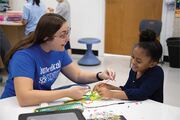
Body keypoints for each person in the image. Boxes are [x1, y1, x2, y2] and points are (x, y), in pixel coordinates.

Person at [0, 13, 115, 107]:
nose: (67, 39)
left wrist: (100, 75)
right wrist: (67, 93)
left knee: (83, 89)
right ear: (46, 37)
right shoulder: (24, 57)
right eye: (62, 35)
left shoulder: (58, 50)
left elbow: (78, 75)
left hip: (41, 102)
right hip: (13, 103)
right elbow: (24, 98)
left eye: (67, 33)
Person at [93, 29, 164, 103]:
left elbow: (141, 93)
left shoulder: (157, 73)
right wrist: (110, 87)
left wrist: (111, 93)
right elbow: (127, 89)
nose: (133, 62)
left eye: (138, 61)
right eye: (133, 57)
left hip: (152, 110)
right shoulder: (134, 70)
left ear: (152, 64)